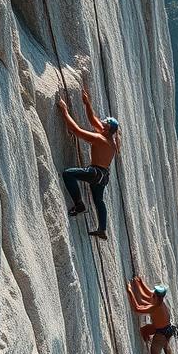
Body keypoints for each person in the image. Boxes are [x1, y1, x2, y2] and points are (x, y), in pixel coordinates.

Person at [57, 88, 120, 240]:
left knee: (68, 174)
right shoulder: (113, 141)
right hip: (103, 176)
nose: (100, 124)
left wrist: (65, 111)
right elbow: (94, 121)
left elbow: (75, 130)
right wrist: (87, 104)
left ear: (106, 129)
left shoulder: (99, 139)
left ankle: (79, 205)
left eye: (103, 124)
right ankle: (102, 229)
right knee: (99, 200)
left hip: (94, 172)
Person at [126, 276, 178, 354]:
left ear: (156, 295)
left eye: (154, 293)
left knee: (155, 352)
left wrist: (130, 291)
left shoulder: (154, 307)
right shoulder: (159, 301)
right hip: (166, 328)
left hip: (161, 332)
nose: (152, 293)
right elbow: (147, 293)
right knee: (145, 331)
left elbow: (137, 308)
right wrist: (140, 283)